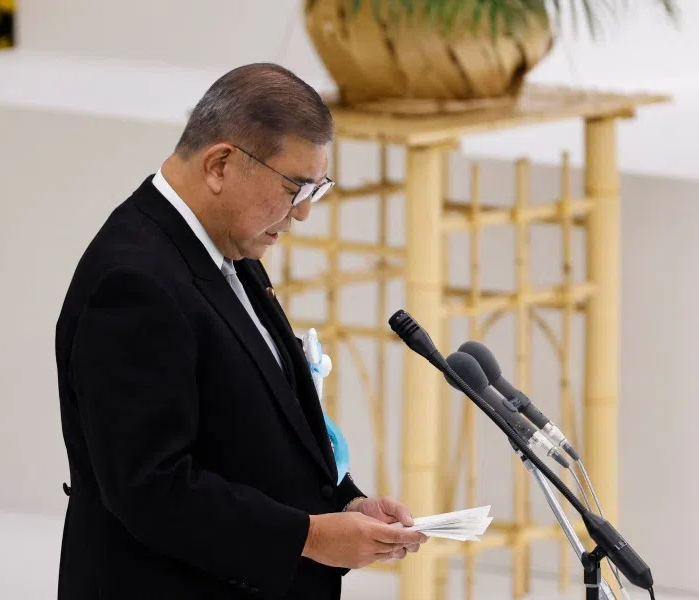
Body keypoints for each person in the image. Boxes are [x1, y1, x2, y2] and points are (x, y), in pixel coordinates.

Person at [54, 63, 427, 600]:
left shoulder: (229, 247)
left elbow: (252, 429)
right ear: (220, 165)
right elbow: (151, 488)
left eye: (316, 189)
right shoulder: (134, 283)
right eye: (294, 186)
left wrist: (345, 502)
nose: (303, 212)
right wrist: (310, 537)